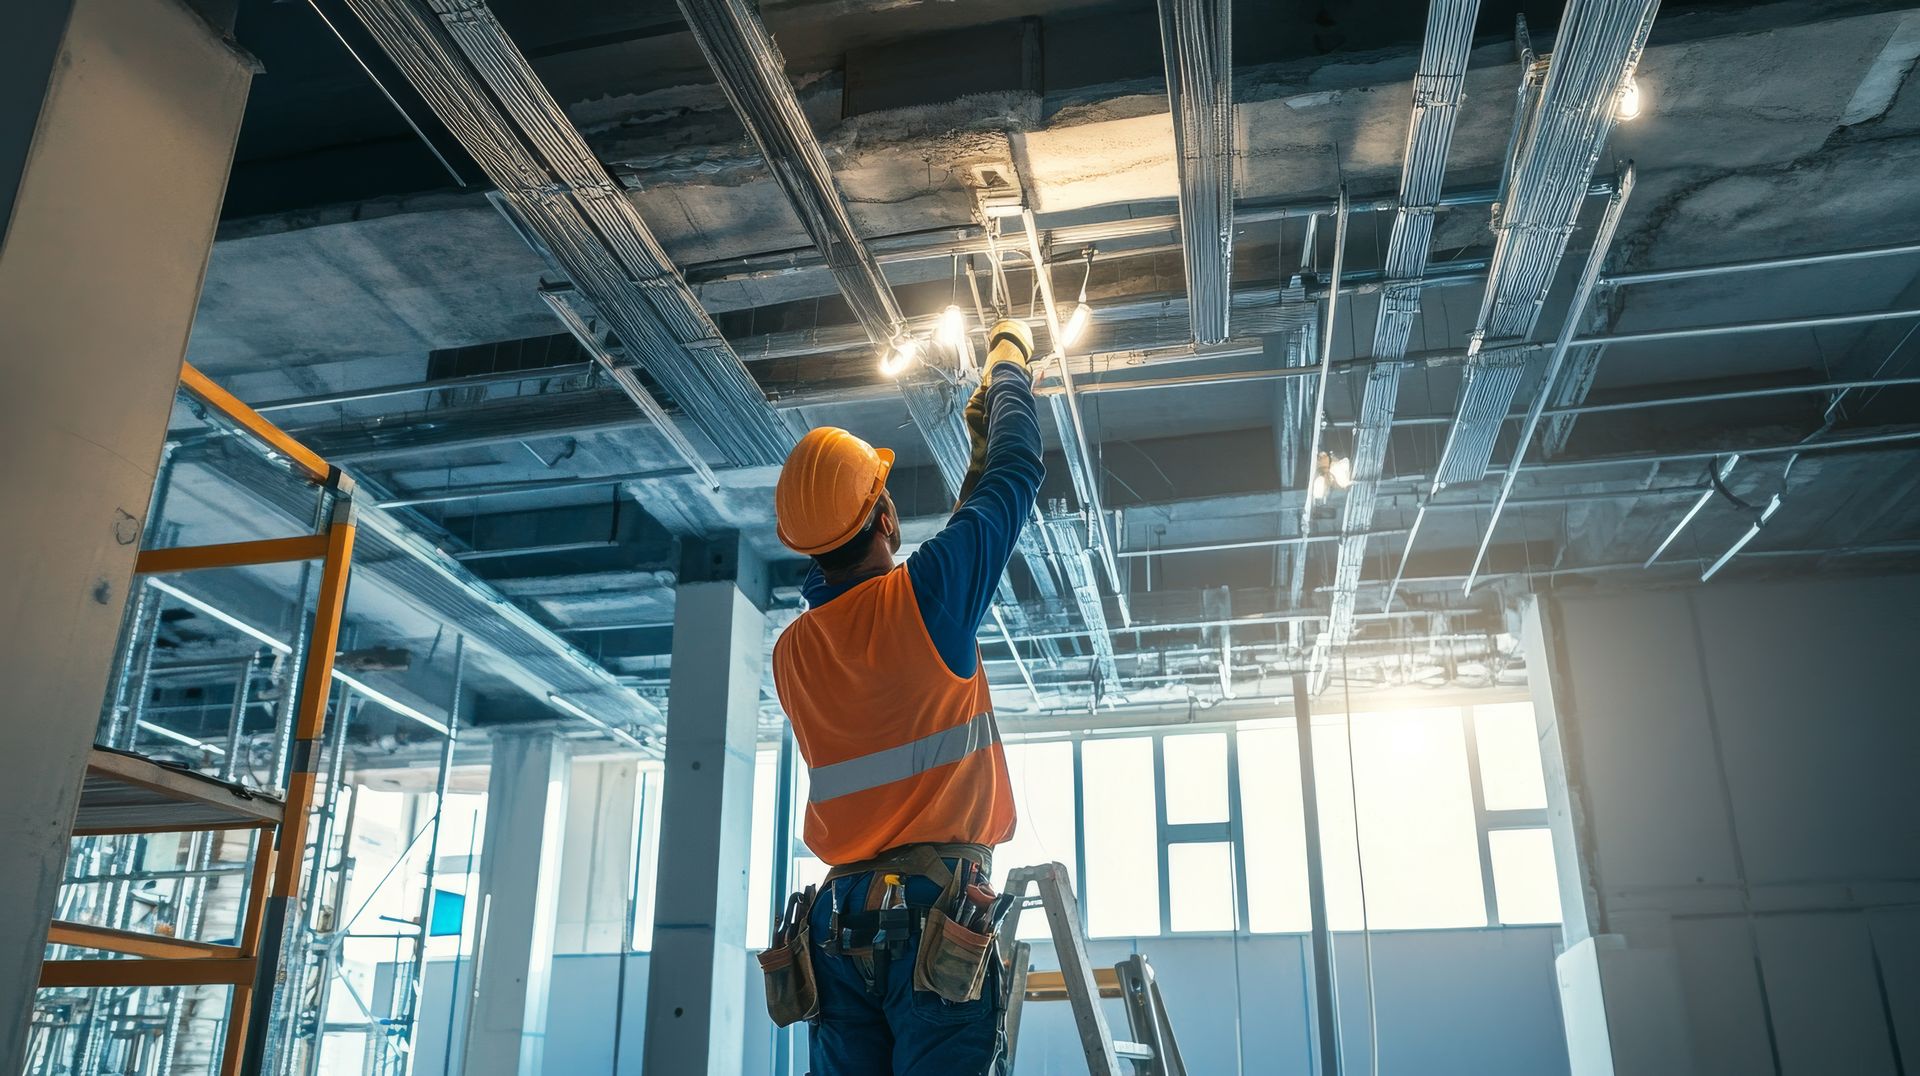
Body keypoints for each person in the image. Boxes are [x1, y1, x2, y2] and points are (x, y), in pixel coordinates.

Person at [768, 318, 1044, 1075]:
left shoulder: (792, 652)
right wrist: (1009, 366)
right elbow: (1018, 469)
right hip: (934, 919)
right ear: (886, 517)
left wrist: (979, 477)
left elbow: (902, 605)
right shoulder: (927, 599)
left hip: (836, 928)